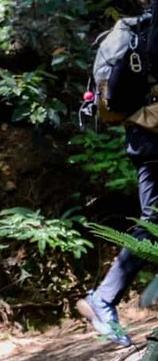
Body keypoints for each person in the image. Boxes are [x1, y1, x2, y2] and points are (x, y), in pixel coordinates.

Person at [76, 122, 158, 347]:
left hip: (147, 137)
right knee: (153, 222)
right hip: (152, 139)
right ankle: (103, 299)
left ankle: (103, 298)